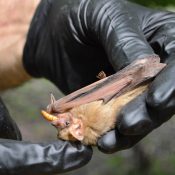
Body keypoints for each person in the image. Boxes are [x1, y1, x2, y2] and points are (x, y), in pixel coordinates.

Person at [0, 0, 175, 174]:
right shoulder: (92, 116)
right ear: (77, 129)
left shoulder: (82, 120)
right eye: (65, 123)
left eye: (58, 125)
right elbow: (111, 90)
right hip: (131, 79)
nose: (59, 121)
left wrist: (37, 24)